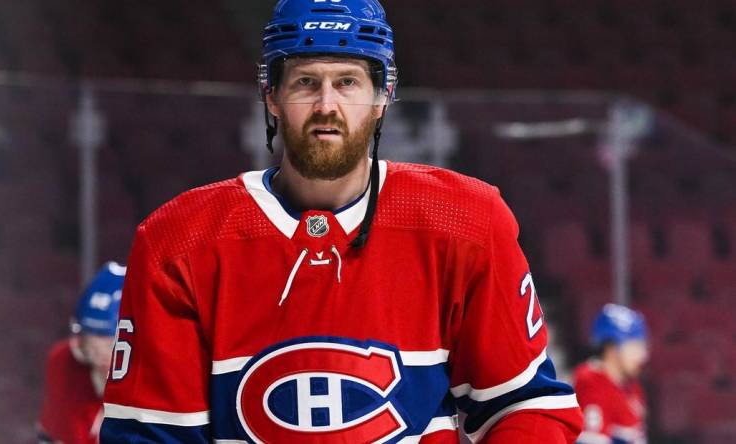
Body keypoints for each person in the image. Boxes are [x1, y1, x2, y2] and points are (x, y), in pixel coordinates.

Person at [101, 0, 583, 442]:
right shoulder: (178, 241)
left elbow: (526, 407)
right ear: (271, 96)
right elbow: (149, 436)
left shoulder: (465, 222)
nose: (326, 105)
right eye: (306, 82)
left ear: (382, 97)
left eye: (347, 81)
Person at [38, 262, 126, 444]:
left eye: (111, 345)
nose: (99, 356)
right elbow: (58, 435)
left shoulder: (164, 377)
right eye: (91, 344)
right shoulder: (64, 362)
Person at [573, 304, 649, 444]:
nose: (643, 355)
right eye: (635, 346)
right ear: (612, 348)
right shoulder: (591, 382)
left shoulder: (632, 387)